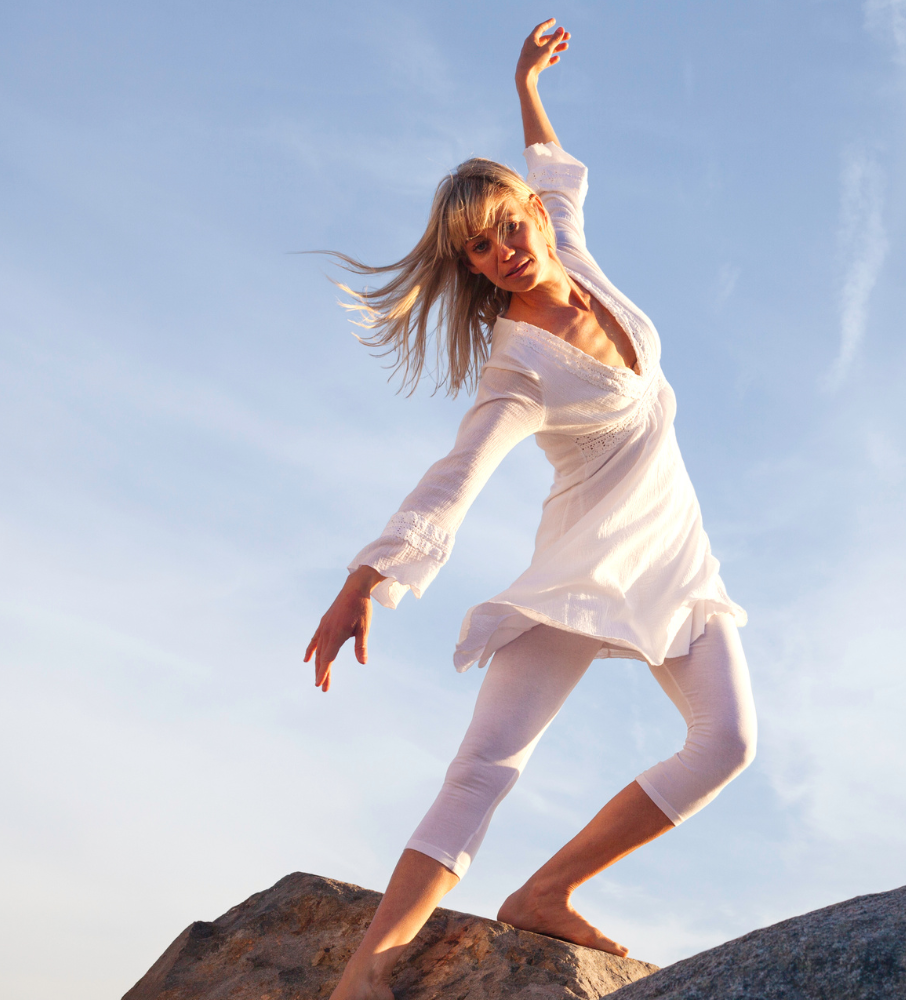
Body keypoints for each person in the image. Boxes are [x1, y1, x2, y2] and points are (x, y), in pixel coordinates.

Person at [302, 18, 758, 1000]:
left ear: (533, 221)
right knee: (484, 767)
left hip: (674, 558)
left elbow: (549, 166)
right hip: (578, 573)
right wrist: (364, 580)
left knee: (727, 741)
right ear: (469, 265)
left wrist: (525, 83)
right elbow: (454, 477)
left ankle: (546, 890)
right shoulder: (517, 367)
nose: (506, 248)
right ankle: (366, 968)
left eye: (511, 225)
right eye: (481, 247)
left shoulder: (575, 254)